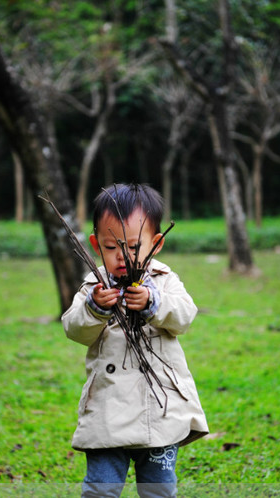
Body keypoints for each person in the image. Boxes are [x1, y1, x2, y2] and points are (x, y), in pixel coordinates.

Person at [62, 183, 208, 498]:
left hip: (159, 410)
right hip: (106, 411)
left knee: (158, 490)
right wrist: (95, 308)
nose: (122, 257)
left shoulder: (164, 281)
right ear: (96, 245)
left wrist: (155, 303)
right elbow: (74, 329)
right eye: (111, 247)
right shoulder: (94, 287)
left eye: (131, 246)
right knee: (100, 489)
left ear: (155, 244)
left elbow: (185, 316)